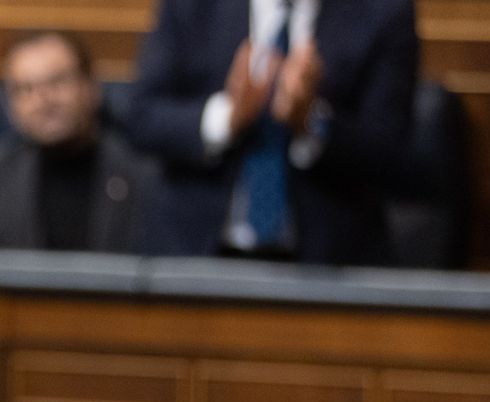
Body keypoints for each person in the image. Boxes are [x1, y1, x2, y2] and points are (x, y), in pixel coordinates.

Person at [125, 0, 419, 265]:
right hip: (192, 255)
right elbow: (141, 116)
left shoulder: (384, 11)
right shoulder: (192, 6)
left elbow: (391, 153)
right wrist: (226, 117)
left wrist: (312, 122)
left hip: (329, 264)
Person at [0, 30, 152, 253]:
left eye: (57, 82)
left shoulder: (142, 172)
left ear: (91, 87)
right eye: (25, 89)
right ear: (8, 104)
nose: (42, 100)